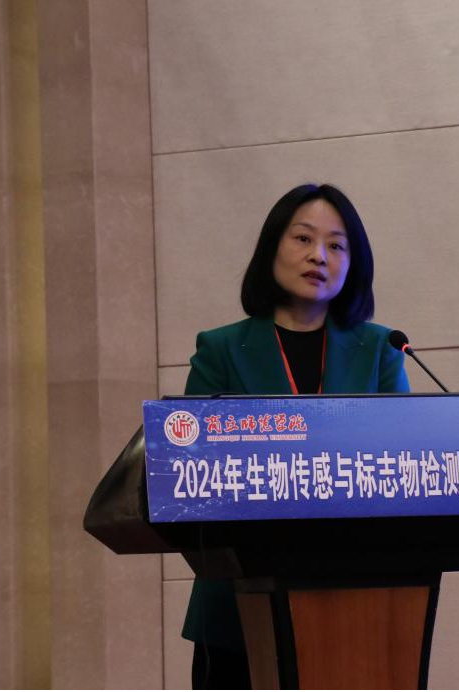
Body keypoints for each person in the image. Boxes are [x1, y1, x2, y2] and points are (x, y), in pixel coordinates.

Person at [180, 183, 409, 689]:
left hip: (358, 596)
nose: (318, 256)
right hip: (240, 603)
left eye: (336, 245)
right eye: (303, 238)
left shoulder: (382, 349)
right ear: (272, 248)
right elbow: (193, 469)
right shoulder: (221, 349)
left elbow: (403, 468)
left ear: (354, 263)